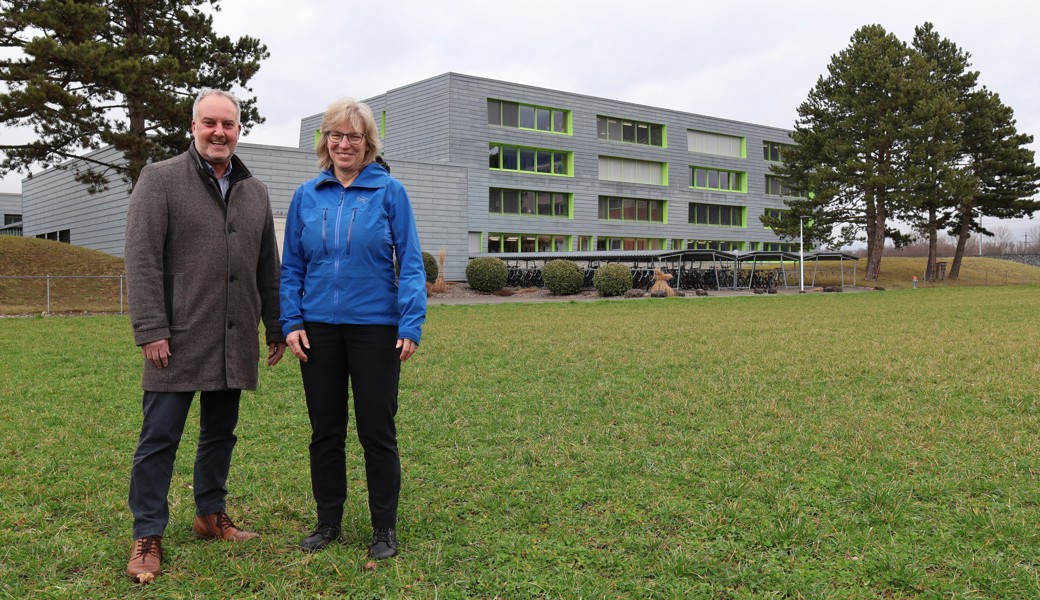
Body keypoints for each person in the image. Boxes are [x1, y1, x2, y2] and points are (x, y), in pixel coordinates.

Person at [123, 89, 286, 583]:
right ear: (193, 127)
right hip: (176, 337)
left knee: (220, 434)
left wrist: (275, 325)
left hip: (232, 337)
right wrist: (151, 328)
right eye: (210, 123)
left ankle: (209, 514)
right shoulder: (160, 179)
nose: (220, 132)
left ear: (239, 130)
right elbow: (142, 259)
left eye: (229, 124)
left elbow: (267, 267)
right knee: (159, 439)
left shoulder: (254, 190)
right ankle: (147, 532)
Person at [280, 97, 426, 560]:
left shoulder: (390, 193)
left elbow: (413, 263)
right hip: (318, 330)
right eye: (336, 135)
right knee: (325, 431)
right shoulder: (307, 195)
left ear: (368, 144)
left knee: (376, 431)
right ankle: (328, 522)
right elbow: (291, 269)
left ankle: (384, 528)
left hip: (376, 330)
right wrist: (291, 320)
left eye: (354, 136)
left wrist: (411, 321)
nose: (344, 144)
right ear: (325, 141)